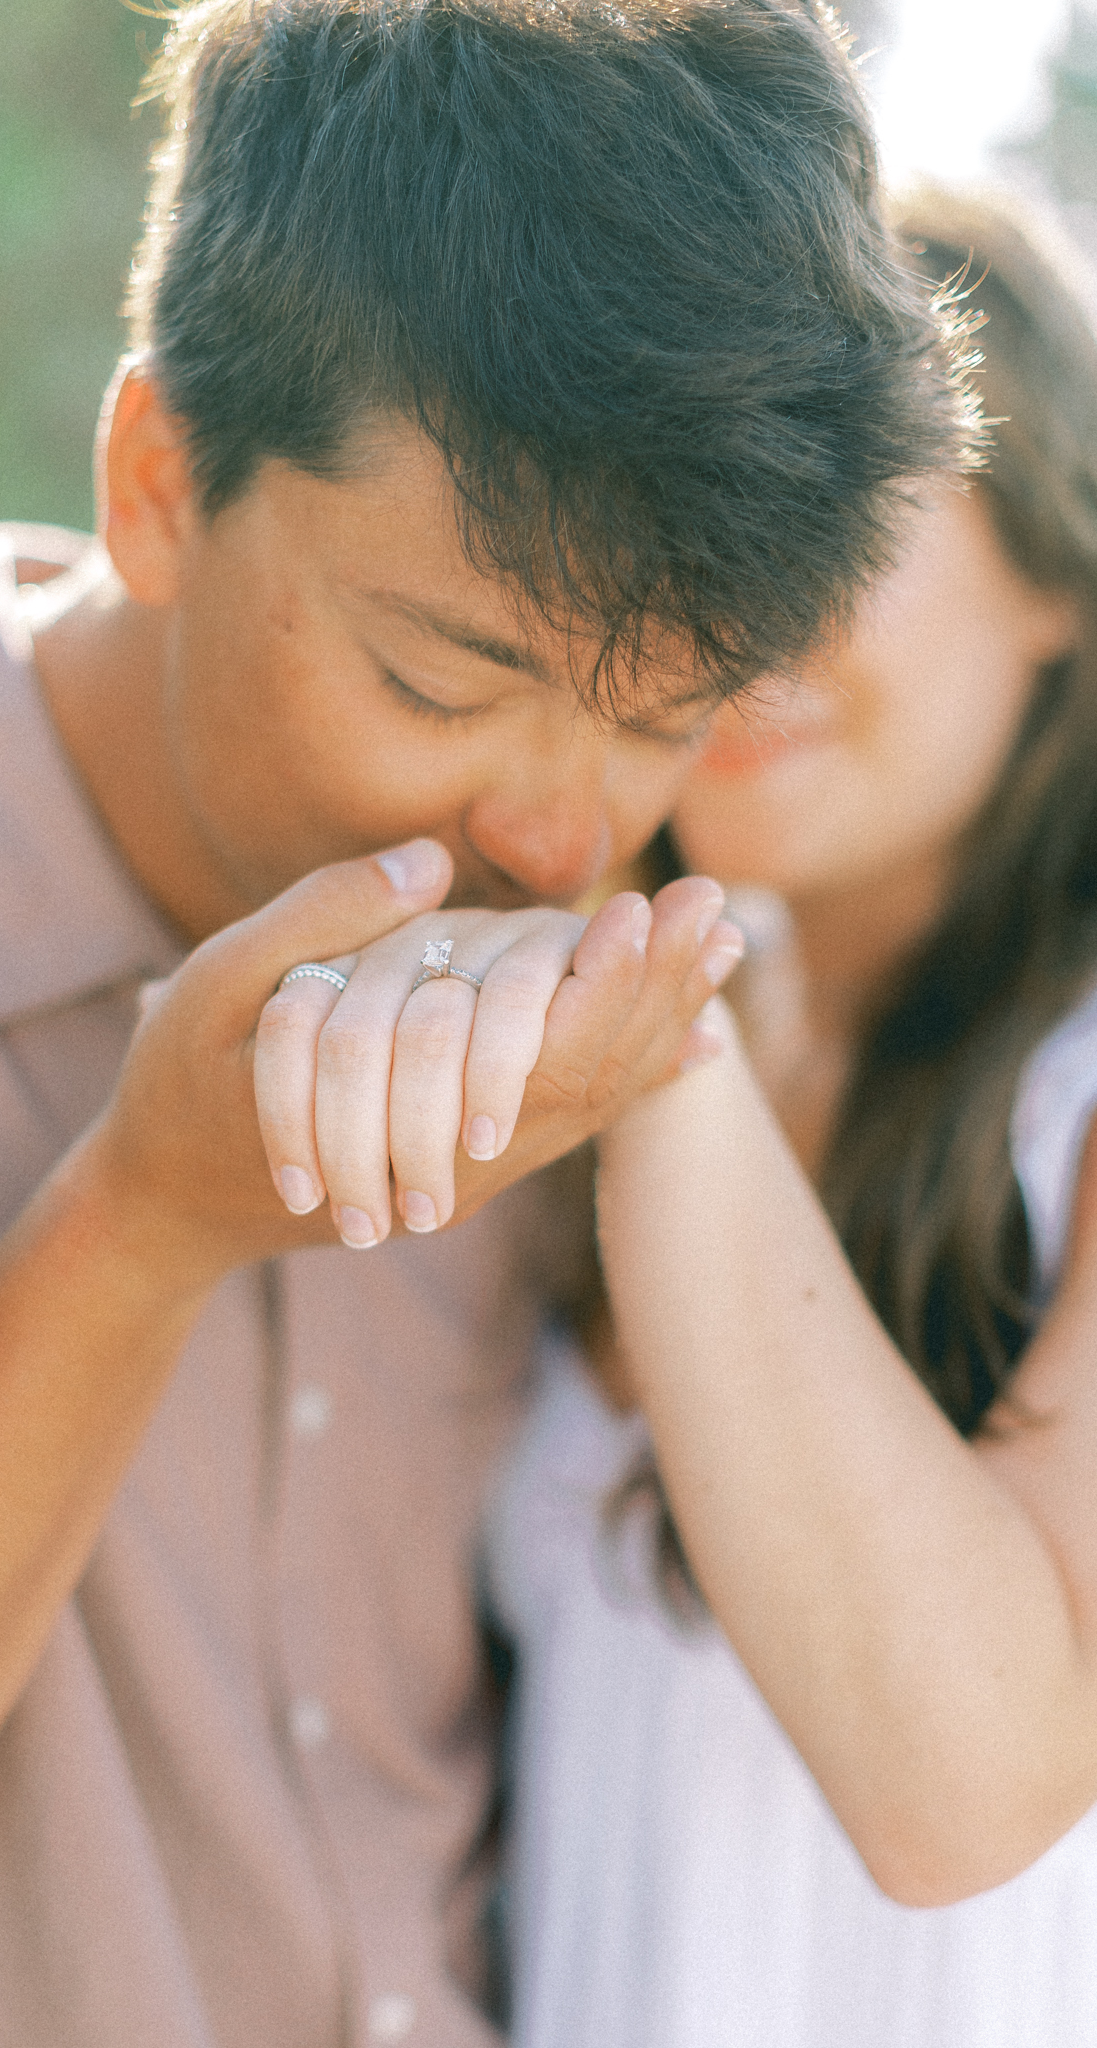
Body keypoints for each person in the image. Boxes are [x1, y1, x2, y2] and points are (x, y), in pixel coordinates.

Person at [0, 0, 967, 2038]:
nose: (558, 827)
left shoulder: (633, 945)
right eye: (437, 681)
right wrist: (147, 1220)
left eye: (660, 711)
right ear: (155, 477)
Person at [473, 187, 1097, 2047]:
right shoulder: (587, 1027)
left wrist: (662, 1035)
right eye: (675, 519)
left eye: (831, 506)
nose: (731, 609)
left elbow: (956, 1793)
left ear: (1055, 558)